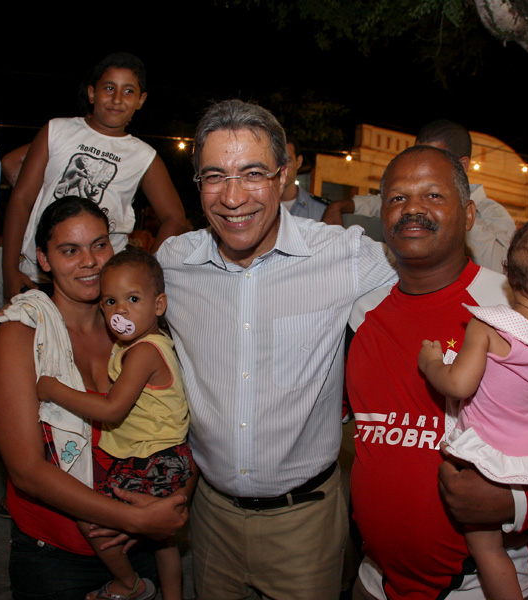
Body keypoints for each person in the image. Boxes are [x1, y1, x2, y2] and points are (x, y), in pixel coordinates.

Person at [345, 145, 528, 599]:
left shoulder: (514, 310)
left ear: (469, 214)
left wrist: (519, 501)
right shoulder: (360, 314)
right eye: (397, 198)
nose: (412, 208)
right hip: (375, 580)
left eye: (433, 195)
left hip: (477, 586)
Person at [155, 99, 398, 599]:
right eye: (215, 176)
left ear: (284, 176)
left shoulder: (343, 255)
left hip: (304, 526)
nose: (233, 197)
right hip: (209, 519)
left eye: (253, 174)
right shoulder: (174, 265)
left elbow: (433, 286)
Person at [0, 197, 188, 599]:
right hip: (55, 559)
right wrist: (134, 519)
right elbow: (26, 470)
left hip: (142, 546)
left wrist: (169, 504)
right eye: (69, 250)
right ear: (43, 260)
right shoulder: (21, 336)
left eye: (99, 244)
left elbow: (178, 426)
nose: (90, 261)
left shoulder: (137, 330)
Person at [417, 215, 528, 598]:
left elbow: (458, 384)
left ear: (509, 274)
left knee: (486, 548)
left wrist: (431, 363)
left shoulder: (490, 327)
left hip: (495, 456)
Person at [36, 246, 194, 600]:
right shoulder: (139, 345)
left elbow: (111, 409)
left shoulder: (143, 352)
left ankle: (128, 584)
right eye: (110, 302)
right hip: (167, 455)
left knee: (89, 518)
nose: (120, 311)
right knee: (164, 542)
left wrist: (53, 390)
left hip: (152, 458)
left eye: (132, 299)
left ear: (158, 305)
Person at [1, 52, 185, 301]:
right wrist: (9, 270)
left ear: (141, 100)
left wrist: (142, 274)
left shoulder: (144, 156)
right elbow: (21, 199)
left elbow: (174, 217)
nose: (117, 99)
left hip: (100, 279)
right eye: (109, 88)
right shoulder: (57, 130)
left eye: (128, 91)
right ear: (91, 93)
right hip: (39, 275)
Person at [321, 119, 516, 273]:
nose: (412, 208)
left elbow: (498, 271)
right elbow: (373, 203)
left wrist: (456, 206)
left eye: (435, 157)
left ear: (462, 165)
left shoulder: (493, 215)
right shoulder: (407, 202)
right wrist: (336, 207)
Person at [280, 137, 329, 220]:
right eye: (276, 161)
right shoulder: (260, 206)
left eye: (287, 161)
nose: (282, 168)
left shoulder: (320, 210)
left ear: (299, 162)